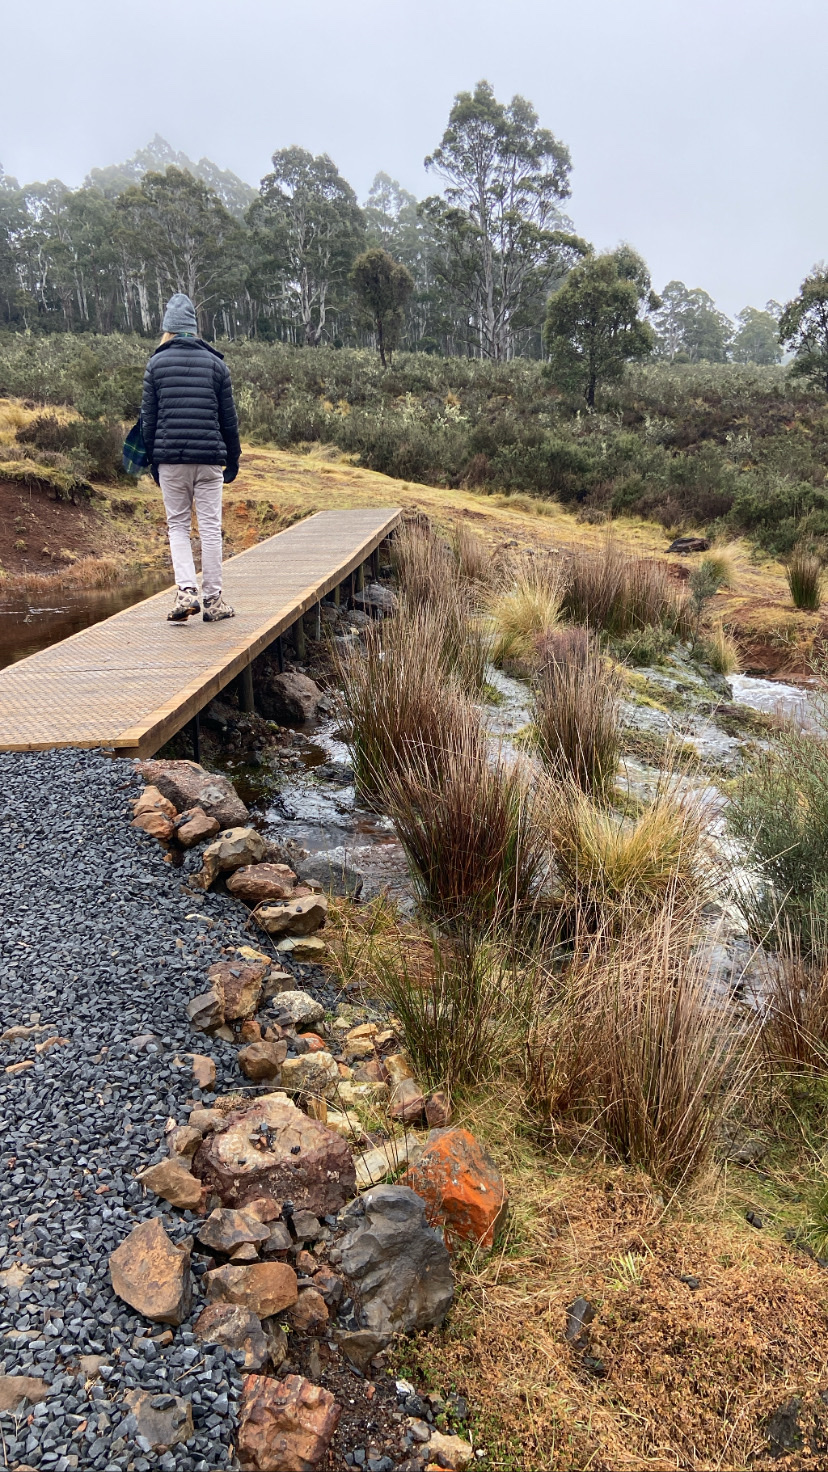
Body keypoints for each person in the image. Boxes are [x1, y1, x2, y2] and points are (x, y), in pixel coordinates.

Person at [140, 292, 241, 622]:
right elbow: (229, 420)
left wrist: (153, 462)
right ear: (194, 328)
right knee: (211, 528)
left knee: (178, 527)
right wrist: (234, 459)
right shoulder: (216, 364)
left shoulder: (156, 364)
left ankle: (186, 593)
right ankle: (213, 601)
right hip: (209, 457)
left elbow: (149, 419)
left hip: (170, 459)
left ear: (167, 329)